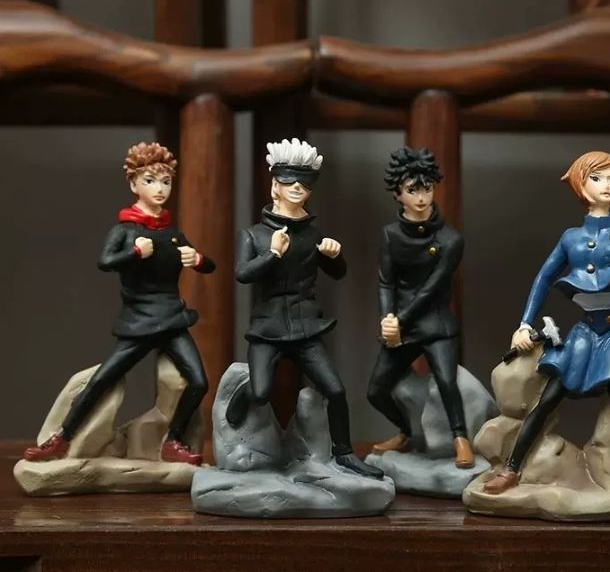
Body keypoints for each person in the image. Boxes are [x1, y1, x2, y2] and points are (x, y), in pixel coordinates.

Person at [483, 151, 610, 500]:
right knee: (548, 399)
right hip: (584, 331)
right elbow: (543, 278)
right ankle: (512, 468)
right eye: (597, 178)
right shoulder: (571, 237)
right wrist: (524, 324)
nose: (607, 185)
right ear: (581, 185)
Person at [24, 142, 213, 466]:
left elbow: (209, 266)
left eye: (166, 181)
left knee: (199, 381)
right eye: (150, 180)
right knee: (103, 379)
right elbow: (106, 262)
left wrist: (198, 259)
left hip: (172, 319)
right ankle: (62, 438)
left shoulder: (172, 234)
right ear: (134, 184)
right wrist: (136, 252)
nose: (160, 189)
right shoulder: (124, 231)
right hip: (139, 320)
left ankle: (173, 440)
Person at [226, 138, 382, 479]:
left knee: (335, 389)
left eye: (304, 183)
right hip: (267, 328)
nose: (297, 187)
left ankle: (344, 453)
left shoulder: (312, 234)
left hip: (306, 326)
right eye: (289, 181)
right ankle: (244, 394)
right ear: (275, 186)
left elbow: (338, 273)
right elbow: (242, 274)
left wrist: (334, 256)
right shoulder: (253, 235)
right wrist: (273, 254)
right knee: (261, 391)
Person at [367, 146, 474, 468]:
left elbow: (432, 289)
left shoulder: (450, 240)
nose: (421, 197)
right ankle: (406, 431)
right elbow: (386, 282)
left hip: (436, 324)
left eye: (426, 188)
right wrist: (387, 319)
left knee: (446, 381)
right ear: (397, 194)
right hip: (401, 326)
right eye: (412, 190)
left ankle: (460, 438)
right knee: (376, 391)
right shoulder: (390, 235)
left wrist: (398, 320)